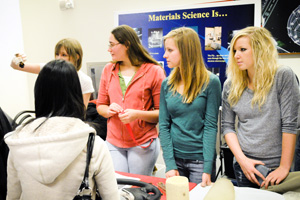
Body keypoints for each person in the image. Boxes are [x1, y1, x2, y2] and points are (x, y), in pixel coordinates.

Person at [4, 60, 119, 200]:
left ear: (39, 94)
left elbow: (12, 196)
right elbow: (111, 197)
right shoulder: (92, 143)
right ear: (76, 94)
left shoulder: (18, 142)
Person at [221, 26, 300, 189]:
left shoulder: (282, 76)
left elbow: (290, 124)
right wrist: (243, 161)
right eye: (234, 50)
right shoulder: (230, 84)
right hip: (244, 166)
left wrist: (284, 167)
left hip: (275, 168)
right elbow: (227, 127)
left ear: (260, 50)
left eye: (243, 49)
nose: (236, 55)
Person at [96, 25, 165, 176]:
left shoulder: (154, 71)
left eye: (112, 45)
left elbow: (163, 113)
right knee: (119, 188)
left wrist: (137, 114)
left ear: (127, 44)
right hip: (114, 142)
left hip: (142, 143)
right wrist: (108, 111)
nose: (109, 49)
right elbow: (100, 105)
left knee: (138, 189)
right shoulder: (108, 70)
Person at [159, 27, 221, 186]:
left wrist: (207, 166)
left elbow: (210, 126)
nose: (165, 55)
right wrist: (170, 163)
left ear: (186, 51)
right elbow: (164, 125)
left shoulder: (211, 82)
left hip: (200, 161)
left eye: (170, 50)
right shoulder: (167, 84)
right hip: (175, 159)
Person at [10, 38, 94, 107]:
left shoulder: (85, 81)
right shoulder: (48, 69)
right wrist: (18, 60)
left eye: (63, 55)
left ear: (76, 57)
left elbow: (82, 112)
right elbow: (18, 66)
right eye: (57, 54)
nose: (58, 58)